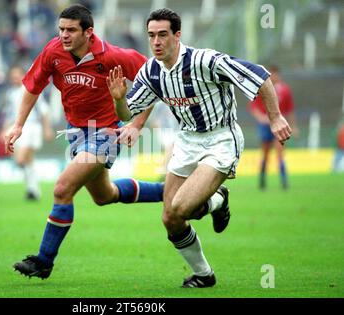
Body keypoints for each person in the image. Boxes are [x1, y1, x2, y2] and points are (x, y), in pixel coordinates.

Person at [107, 8, 292, 288]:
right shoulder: (150, 71)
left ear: (177, 35)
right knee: (170, 217)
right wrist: (118, 99)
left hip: (220, 140)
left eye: (162, 35)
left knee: (182, 207)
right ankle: (204, 274)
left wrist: (275, 117)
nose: (156, 41)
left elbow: (259, 75)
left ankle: (217, 199)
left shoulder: (205, 60)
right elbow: (126, 113)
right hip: (187, 141)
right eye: (151, 36)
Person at [4, 4, 164, 280]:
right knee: (105, 196)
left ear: (89, 32)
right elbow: (32, 86)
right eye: (61, 29)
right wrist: (18, 124)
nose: (63, 35)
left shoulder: (114, 56)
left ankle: (43, 260)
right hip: (76, 132)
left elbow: (156, 78)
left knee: (63, 188)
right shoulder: (53, 51)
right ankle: (172, 191)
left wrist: (136, 123)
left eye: (70, 30)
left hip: (105, 132)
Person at [3, 66, 55, 201]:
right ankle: (33, 190)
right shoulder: (11, 94)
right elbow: (10, 114)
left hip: (32, 127)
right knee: (28, 161)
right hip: (18, 129)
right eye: (12, 76)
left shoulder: (32, 89)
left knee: (20, 159)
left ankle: (32, 189)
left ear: (23, 76)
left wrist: (47, 129)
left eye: (17, 75)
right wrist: (4, 129)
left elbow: (44, 111)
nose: (14, 79)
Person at [248, 65, 298, 190]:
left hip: (279, 125)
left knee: (280, 152)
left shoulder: (284, 90)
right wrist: (261, 118)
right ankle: (262, 181)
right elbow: (254, 107)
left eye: (276, 74)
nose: (274, 77)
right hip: (265, 125)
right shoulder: (262, 87)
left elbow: (290, 109)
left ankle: (284, 182)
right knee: (265, 153)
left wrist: (293, 125)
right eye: (272, 74)